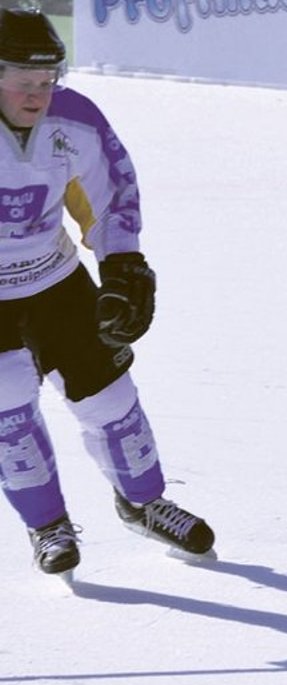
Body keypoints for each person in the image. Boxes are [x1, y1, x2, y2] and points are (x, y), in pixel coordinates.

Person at [0, 9, 214, 577]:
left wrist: (122, 266)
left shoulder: (75, 120)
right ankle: (47, 525)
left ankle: (144, 503)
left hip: (54, 279)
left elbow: (111, 195)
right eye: (23, 79)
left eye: (48, 80)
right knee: (9, 407)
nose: (38, 93)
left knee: (111, 401)